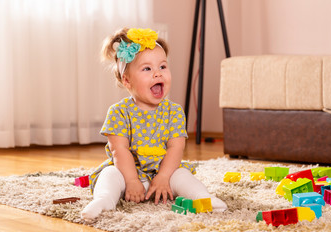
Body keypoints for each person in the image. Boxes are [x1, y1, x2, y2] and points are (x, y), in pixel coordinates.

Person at [81, 28, 227, 220]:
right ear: (127, 80)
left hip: (163, 170)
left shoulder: (173, 112)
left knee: (182, 175)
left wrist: (165, 176)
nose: (158, 74)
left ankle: (203, 198)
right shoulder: (118, 112)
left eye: (163, 67)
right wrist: (132, 180)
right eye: (147, 69)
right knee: (109, 174)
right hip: (128, 173)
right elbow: (119, 150)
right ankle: (103, 200)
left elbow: (176, 147)